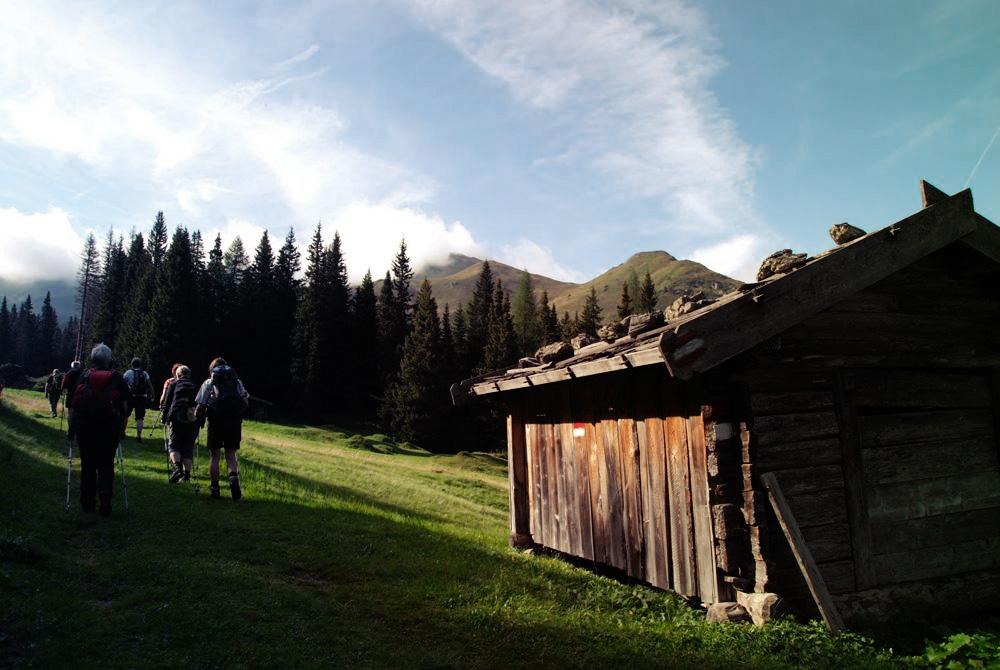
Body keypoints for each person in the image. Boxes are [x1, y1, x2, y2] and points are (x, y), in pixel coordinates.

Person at [71, 343, 132, 516]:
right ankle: (105, 500)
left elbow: (75, 404)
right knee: (106, 464)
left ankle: (87, 503)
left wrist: (72, 428)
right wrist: (122, 428)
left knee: (88, 464)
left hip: (85, 427)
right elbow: (125, 406)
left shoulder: (85, 375)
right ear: (109, 359)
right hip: (109, 427)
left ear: (93, 358)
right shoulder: (116, 378)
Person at [196, 357, 249, 500]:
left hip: (216, 421)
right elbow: (245, 400)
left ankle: (215, 488)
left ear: (212, 370)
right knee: (231, 455)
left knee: (215, 456)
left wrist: (198, 414)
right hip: (234, 421)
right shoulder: (237, 381)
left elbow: (201, 404)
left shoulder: (209, 382)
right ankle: (233, 479)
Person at [161, 365, 200, 483]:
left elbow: (168, 402)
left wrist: (164, 418)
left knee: (174, 445)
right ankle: (186, 476)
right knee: (188, 446)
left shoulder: (174, 384)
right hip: (193, 418)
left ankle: (177, 469)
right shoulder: (196, 385)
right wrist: (201, 420)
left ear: (177, 375)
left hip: (177, 417)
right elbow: (201, 402)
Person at [123, 358, 154, 443]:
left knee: (126, 415)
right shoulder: (144, 373)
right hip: (142, 397)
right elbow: (150, 385)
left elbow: (123, 384)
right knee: (140, 417)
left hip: (131, 397)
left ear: (131, 364)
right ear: (140, 365)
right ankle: (139, 436)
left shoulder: (128, 373)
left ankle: (122, 433)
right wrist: (152, 395)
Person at [61, 361, 83, 439]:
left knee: (70, 413)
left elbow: (63, 386)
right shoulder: (82, 374)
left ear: (72, 366)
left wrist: (63, 389)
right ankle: (76, 430)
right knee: (78, 413)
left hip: (70, 396)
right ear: (79, 366)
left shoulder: (69, 374)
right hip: (80, 396)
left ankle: (70, 429)